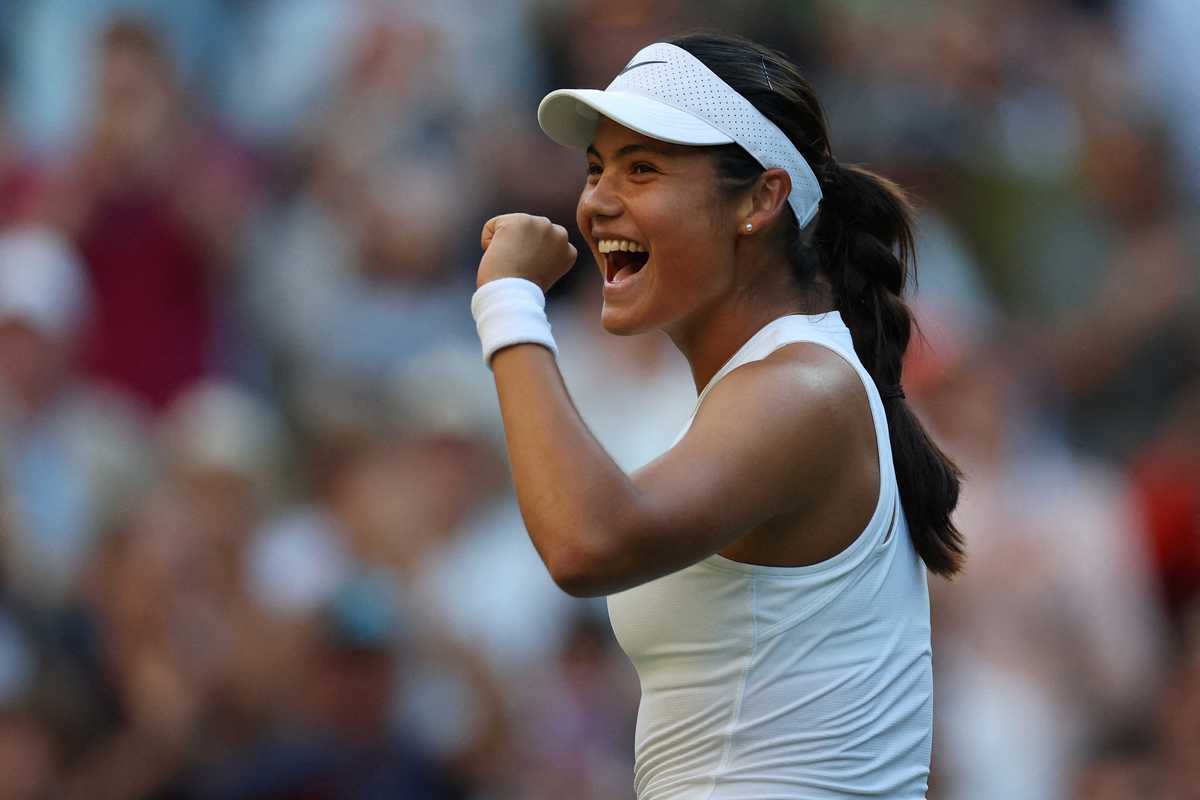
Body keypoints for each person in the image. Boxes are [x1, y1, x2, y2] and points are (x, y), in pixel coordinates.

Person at [470, 32, 964, 799]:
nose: (597, 201)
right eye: (596, 168)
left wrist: (508, 302)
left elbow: (585, 544)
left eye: (643, 169)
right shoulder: (784, 382)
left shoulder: (804, 389)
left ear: (762, 200)